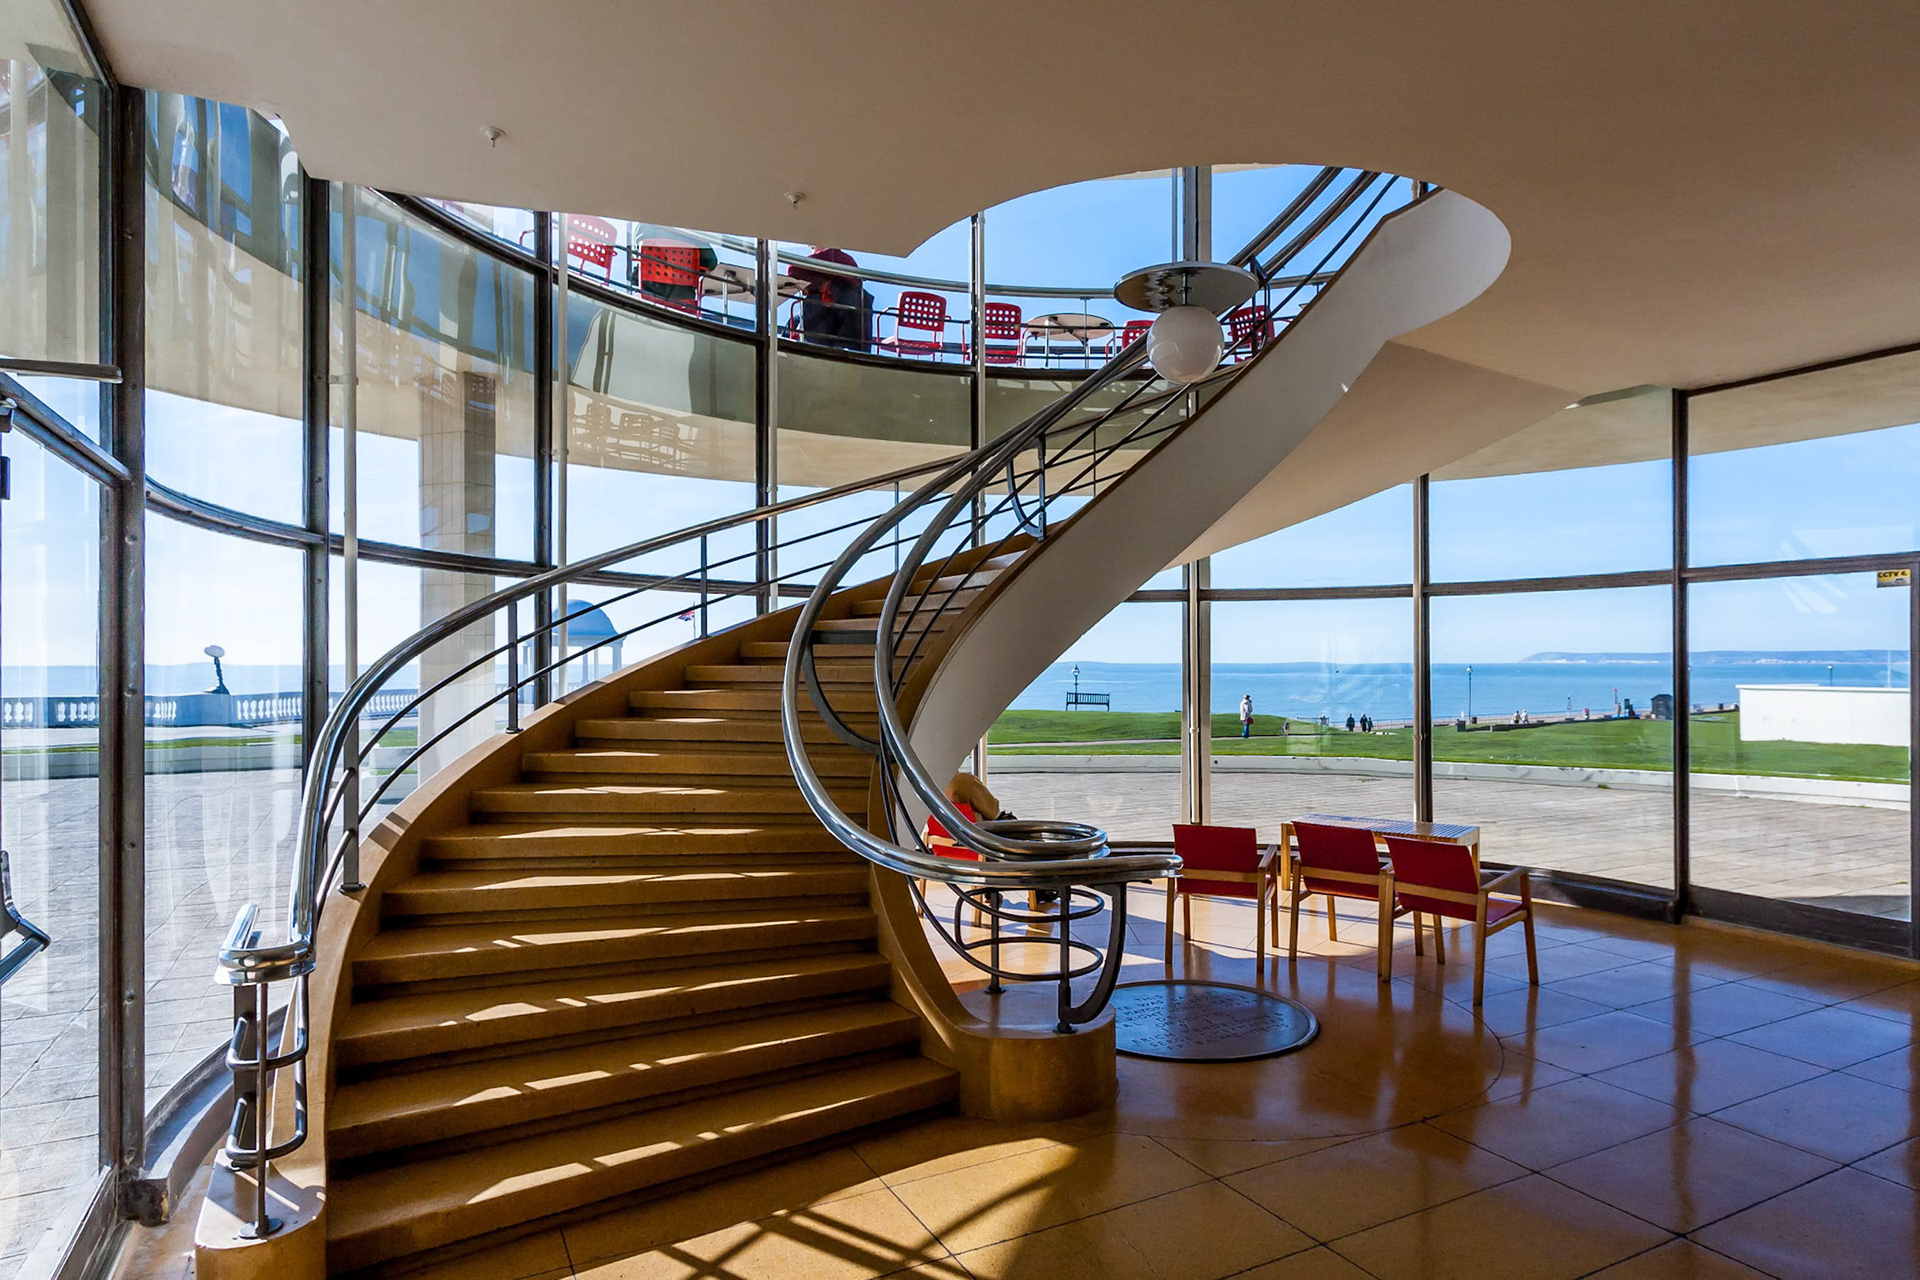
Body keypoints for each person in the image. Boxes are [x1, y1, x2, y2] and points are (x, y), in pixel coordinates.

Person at [790, 246, 869, 351]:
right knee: (795, 320)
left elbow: (793, 270)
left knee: (795, 322)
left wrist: (818, 285)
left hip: (824, 314)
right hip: (847, 316)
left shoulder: (831, 257)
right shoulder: (848, 262)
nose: (811, 249)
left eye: (813, 247)